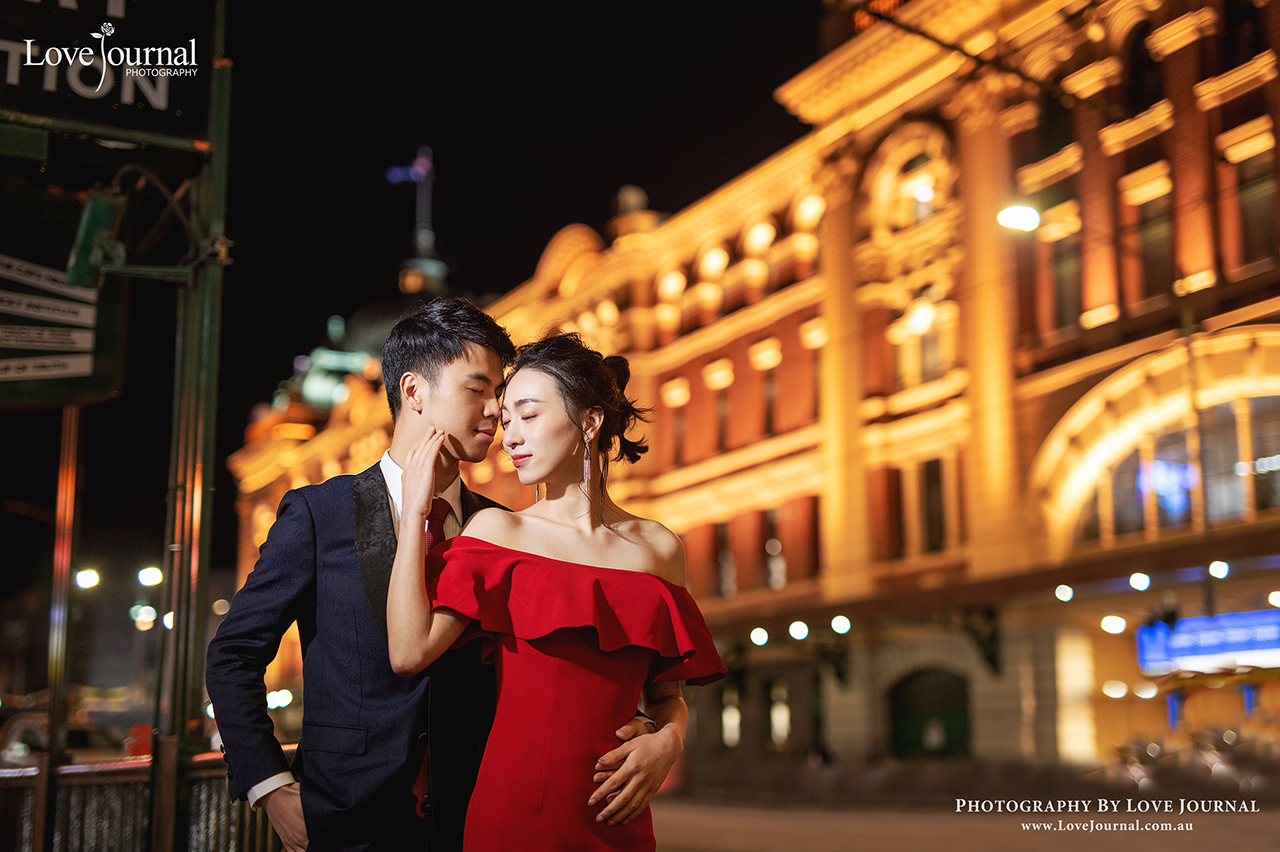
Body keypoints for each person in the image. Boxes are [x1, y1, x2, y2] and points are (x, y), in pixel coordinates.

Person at [206, 299, 680, 852]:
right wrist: (271, 788)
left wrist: (658, 729)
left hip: (476, 815)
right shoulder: (320, 513)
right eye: (478, 390)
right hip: (346, 819)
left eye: (502, 396)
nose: (495, 414)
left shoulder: (503, 528)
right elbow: (233, 655)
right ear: (413, 391)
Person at [387, 332, 726, 852]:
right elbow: (409, 652)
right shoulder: (498, 534)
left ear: (589, 422)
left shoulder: (659, 549)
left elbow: (666, 698)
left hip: (618, 817)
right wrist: (414, 512)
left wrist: (669, 741)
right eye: (507, 422)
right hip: (514, 816)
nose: (510, 438)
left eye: (528, 415)